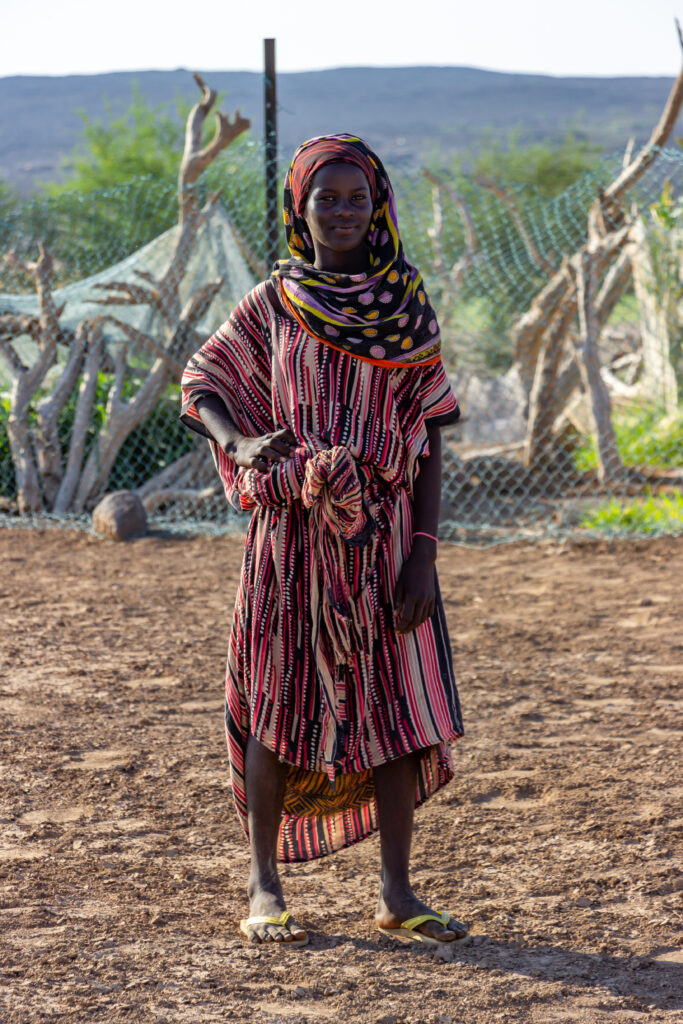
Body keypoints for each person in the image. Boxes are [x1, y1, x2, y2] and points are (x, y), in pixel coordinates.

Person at [180, 134, 466, 947]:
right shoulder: (272, 305)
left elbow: (430, 437)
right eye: (324, 199)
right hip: (290, 538)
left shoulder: (406, 310)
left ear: (378, 205)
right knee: (277, 700)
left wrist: (422, 551)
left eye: (355, 197)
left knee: (396, 711)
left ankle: (397, 893)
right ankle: (263, 884)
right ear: (299, 211)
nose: (341, 212)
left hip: (380, 540)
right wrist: (236, 445)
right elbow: (203, 382)